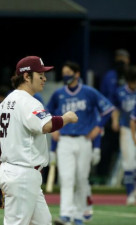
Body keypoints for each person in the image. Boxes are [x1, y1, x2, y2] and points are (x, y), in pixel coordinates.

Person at [0, 56, 78, 225]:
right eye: (40, 74)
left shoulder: (4, 103)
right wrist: (66, 118)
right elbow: (47, 125)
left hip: (18, 172)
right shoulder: (29, 102)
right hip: (23, 173)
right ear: (26, 76)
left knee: (43, 222)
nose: (44, 78)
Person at [47, 61, 115, 225]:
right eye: (63, 73)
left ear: (77, 74)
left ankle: (78, 214)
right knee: (66, 178)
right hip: (65, 140)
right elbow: (47, 111)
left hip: (84, 140)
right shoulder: (58, 94)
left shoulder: (89, 92)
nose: (66, 76)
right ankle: (65, 214)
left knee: (81, 178)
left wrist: (98, 128)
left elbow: (108, 109)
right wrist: (53, 128)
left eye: (69, 72)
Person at [98, 49, 130, 180]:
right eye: (119, 58)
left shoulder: (130, 75)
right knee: (106, 149)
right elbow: (103, 98)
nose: (121, 61)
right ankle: (102, 177)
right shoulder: (109, 75)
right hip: (109, 119)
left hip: (128, 119)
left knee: (127, 152)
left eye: (124, 58)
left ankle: (124, 181)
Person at [112, 65, 136, 205]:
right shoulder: (120, 92)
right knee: (128, 163)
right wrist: (115, 120)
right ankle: (130, 195)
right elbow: (115, 108)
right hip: (126, 128)